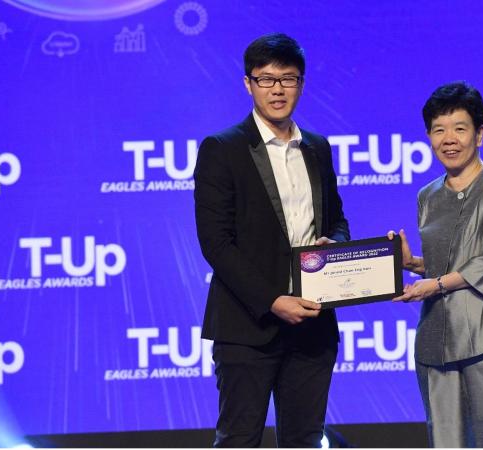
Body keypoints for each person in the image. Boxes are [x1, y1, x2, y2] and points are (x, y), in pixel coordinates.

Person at [193, 33, 349, 448]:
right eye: (266, 79)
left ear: (301, 83)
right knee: (239, 440)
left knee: (304, 440)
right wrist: (272, 300)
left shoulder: (317, 148)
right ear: (249, 84)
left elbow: (337, 219)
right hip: (248, 326)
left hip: (313, 325)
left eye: (288, 78)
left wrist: (335, 245)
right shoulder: (222, 149)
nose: (277, 89)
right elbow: (215, 243)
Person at [390, 81, 483, 447]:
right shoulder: (427, 196)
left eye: (459, 128)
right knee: (447, 442)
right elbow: (452, 262)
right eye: (439, 130)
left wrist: (436, 284)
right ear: (428, 137)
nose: (449, 139)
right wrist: (414, 264)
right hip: (437, 342)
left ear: (479, 134)